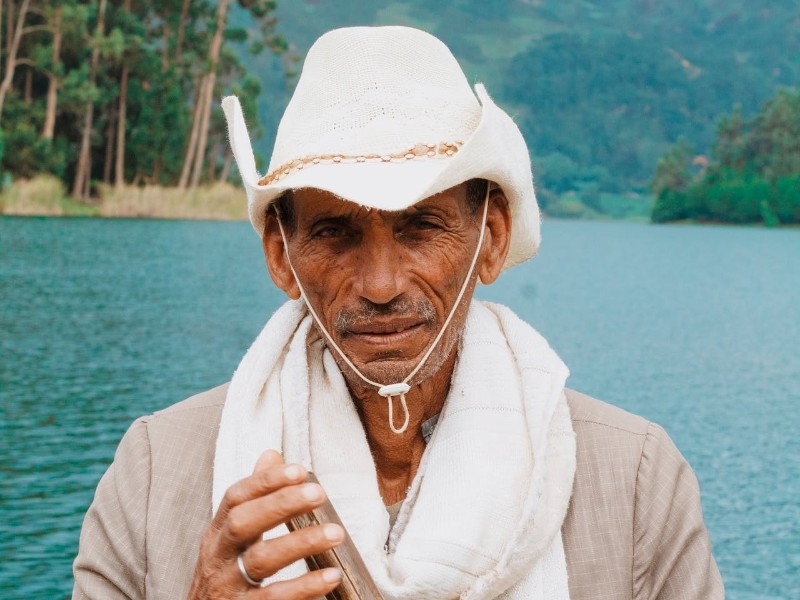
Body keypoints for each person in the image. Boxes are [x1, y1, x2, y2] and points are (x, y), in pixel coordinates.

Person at [73, 26, 723, 600]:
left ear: (490, 238)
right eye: (335, 232)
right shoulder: (155, 475)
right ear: (280, 254)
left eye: (420, 227)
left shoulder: (634, 483)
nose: (381, 285)